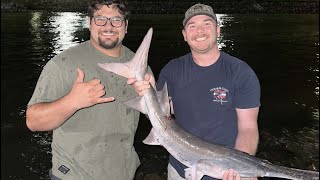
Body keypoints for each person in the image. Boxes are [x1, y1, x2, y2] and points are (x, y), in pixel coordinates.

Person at [129, 3, 260, 180]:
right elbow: (162, 115)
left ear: (218, 30)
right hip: (178, 169)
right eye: (192, 26)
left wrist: (241, 168)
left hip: (226, 172)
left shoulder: (241, 73)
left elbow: (248, 128)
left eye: (207, 24)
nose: (200, 31)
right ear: (184, 35)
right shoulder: (172, 70)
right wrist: (147, 94)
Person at [26, 0, 150, 179]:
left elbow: (154, 115)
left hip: (124, 172)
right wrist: (72, 101)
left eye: (116, 20)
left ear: (126, 26)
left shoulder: (140, 66)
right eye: (100, 19)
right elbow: (33, 121)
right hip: (73, 175)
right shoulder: (63, 63)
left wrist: (153, 99)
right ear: (89, 23)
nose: (108, 26)